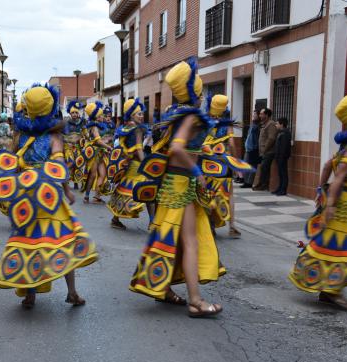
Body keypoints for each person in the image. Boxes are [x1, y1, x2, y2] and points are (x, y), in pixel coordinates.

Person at [129, 59, 225, 317]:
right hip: (181, 184)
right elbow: (177, 148)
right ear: (194, 89)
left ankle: (165, 288)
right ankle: (195, 301)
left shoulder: (178, 113)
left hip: (177, 183)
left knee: (175, 238)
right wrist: (196, 171)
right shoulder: (191, 115)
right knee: (190, 241)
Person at [0, 83, 98, 308]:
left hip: (26, 197)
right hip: (49, 196)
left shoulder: (19, 136)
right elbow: (59, 168)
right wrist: (67, 191)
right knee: (64, 241)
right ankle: (71, 292)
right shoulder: (54, 137)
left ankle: (30, 295)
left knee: (29, 242)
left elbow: (13, 164)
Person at [289, 91, 347, 310]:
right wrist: (330, 204)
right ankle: (332, 291)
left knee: (332, 245)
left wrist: (318, 189)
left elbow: (326, 166)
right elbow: (339, 178)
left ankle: (329, 290)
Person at [201, 95, 253, 238]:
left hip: (208, 161)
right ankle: (232, 227)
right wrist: (236, 161)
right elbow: (231, 143)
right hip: (224, 162)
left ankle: (210, 224)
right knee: (228, 194)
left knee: (209, 191)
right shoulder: (226, 123)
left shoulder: (205, 121)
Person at [106, 98, 148, 230]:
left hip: (128, 164)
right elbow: (139, 149)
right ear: (131, 115)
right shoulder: (138, 129)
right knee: (149, 191)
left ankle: (115, 218)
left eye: (142, 113)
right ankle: (154, 223)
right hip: (136, 165)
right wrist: (146, 165)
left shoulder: (125, 128)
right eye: (139, 114)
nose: (142, 116)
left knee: (124, 189)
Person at [79, 101, 113, 204]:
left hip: (101, 154)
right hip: (93, 155)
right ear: (96, 117)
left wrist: (108, 141)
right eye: (101, 115)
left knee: (103, 174)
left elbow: (103, 139)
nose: (103, 116)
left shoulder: (101, 126)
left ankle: (97, 196)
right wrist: (108, 147)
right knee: (92, 175)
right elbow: (98, 141)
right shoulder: (93, 127)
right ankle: (87, 196)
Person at [253, 108, 278, 191]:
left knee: (264, 167)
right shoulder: (264, 124)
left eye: (261, 114)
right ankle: (262, 184)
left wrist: (265, 150)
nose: (260, 115)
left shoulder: (271, 124)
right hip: (263, 151)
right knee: (263, 168)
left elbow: (271, 138)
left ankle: (263, 185)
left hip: (268, 151)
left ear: (266, 115)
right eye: (259, 114)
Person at [63, 100, 86, 189]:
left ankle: (76, 182)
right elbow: (62, 135)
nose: (74, 114)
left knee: (78, 164)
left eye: (76, 112)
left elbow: (85, 133)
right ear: (70, 113)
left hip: (78, 147)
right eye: (72, 113)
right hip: (68, 147)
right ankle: (66, 179)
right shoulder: (66, 123)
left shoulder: (82, 122)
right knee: (70, 162)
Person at [273, 117, 292, 196]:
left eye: (277, 123)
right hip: (279, 157)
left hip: (282, 157)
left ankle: (283, 190)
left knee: (284, 173)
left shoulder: (286, 133)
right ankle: (279, 188)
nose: (276, 125)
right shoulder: (281, 132)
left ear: (282, 124)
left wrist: (281, 156)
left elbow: (284, 147)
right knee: (280, 173)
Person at [241, 110, 260, 188]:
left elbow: (256, 138)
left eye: (255, 114)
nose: (253, 115)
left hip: (253, 149)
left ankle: (249, 182)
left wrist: (255, 147)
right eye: (253, 114)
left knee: (252, 166)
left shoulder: (257, 126)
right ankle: (245, 181)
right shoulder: (252, 125)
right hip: (248, 148)